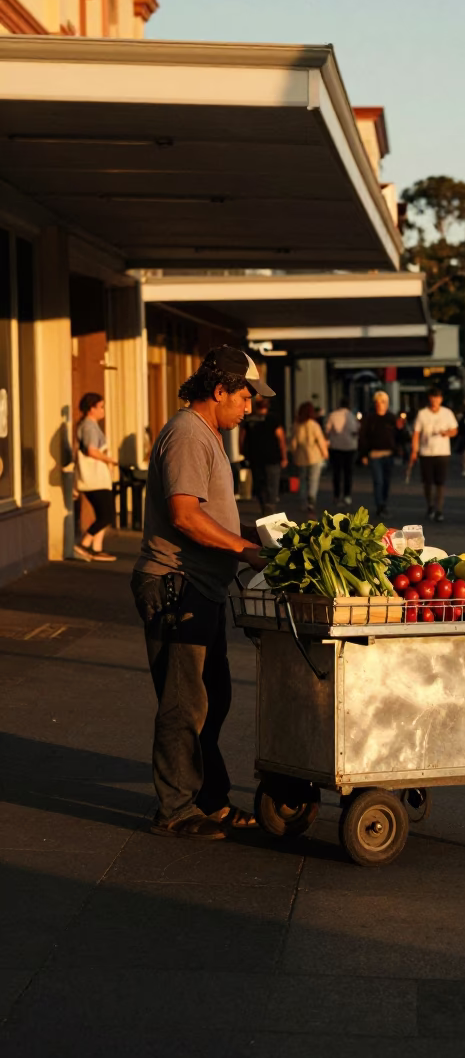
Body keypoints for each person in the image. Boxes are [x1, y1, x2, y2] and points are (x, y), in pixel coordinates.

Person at [131, 345, 272, 841]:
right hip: (176, 585)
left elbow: (211, 513)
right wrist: (245, 550)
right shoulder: (188, 434)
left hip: (202, 587)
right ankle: (174, 810)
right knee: (185, 704)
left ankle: (210, 800)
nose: (250, 407)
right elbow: (185, 515)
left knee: (214, 699)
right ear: (219, 391)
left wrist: (257, 536)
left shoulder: (208, 434)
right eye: (245, 397)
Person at [74, 392, 118, 563]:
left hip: (98, 479)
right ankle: (84, 544)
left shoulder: (90, 425)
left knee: (103, 514)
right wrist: (110, 460)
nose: (103, 410)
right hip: (95, 480)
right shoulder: (89, 427)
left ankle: (96, 549)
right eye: (100, 407)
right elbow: (92, 451)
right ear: (91, 409)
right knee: (107, 515)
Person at [410, 388, 458, 522]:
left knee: (440, 482)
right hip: (426, 452)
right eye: (433, 397)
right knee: (427, 482)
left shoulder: (447, 413)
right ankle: (430, 505)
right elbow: (416, 433)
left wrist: (447, 433)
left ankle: (439, 509)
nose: (435, 400)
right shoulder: (422, 414)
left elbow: (454, 430)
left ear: (441, 399)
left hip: (442, 452)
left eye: (437, 398)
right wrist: (414, 450)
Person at [240, 395, 288, 514]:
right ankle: (270, 507)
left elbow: (241, 438)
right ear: (268, 406)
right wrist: (284, 457)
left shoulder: (249, 420)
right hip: (272, 457)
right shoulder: (273, 419)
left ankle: (263, 506)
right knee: (272, 483)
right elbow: (281, 439)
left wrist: (243, 452)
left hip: (254, 457)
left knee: (259, 483)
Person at [358, 389, 398, 518]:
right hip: (375, 454)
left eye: (383, 402)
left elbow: (399, 436)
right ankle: (380, 505)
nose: (380, 404)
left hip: (388, 454)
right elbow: (363, 437)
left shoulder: (391, 418)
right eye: (378, 402)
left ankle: (384, 502)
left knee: (386, 481)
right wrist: (363, 454)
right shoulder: (370, 418)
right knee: (378, 481)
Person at [291, 401, 329, 517]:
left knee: (302, 481)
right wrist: (325, 453)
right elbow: (320, 441)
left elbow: (293, 443)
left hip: (301, 458)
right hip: (314, 457)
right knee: (313, 480)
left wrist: (294, 454)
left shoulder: (297, 425)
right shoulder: (314, 425)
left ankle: (303, 502)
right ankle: (311, 502)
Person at [325, 398, 359, 507]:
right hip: (349, 447)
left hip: (336, 447)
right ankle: (347, 495)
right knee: (348, 472)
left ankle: (336, 495)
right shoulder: (352, 416)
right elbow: (356, 430)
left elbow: (327, 430)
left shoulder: (333, 415)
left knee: (337, 472)